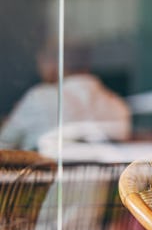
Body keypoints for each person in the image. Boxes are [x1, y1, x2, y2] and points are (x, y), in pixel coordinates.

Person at [0, 41, 131, 151]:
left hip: (48, 181)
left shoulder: (40, 98)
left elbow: (4, 144)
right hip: (102, 182)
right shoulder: (118, 105)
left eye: (41, 60)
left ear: (53, 63)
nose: (38, 67)